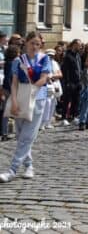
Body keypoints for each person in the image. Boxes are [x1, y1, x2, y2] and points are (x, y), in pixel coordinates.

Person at [0, 32, 52, 182]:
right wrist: (14, 100)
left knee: (27, 136)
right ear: (26, 43)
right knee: (20, 135)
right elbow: (14, 82)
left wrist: (32, 90)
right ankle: (29, 165)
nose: (35, 46)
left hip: (37, 98)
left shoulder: (44, 59)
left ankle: (12, 169)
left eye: (38, 44)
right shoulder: (19, 60)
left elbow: (43, 78)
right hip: (20, 98)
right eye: (32, 43)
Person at [61, 39, 82, 126]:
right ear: (74, 45)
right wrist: (67, 82)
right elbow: (65, 70)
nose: (80, 47)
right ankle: (64, 118)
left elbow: (79, 68)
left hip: (78, 81)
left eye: (80, 45)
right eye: (78, 45)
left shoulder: (78, 55)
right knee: (67, 100)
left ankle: (74, 116)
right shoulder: (68, 56)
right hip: (70, 82)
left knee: (76, 100)